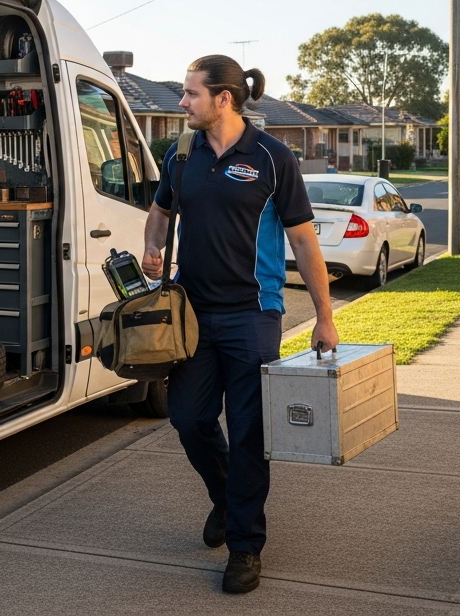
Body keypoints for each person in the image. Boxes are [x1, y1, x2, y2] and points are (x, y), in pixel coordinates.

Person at [142, 55, 339, 594]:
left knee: (249, 432)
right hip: (192, 315)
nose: (182, 103)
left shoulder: (273, 158)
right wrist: (153, 247)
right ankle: (226, 500)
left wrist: (325, 317)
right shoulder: (181, 153)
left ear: (222, 98)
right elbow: (161, 211)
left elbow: (303, 240)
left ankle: (246, 546)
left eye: (189, 94)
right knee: (189, 418)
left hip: (254, 315)